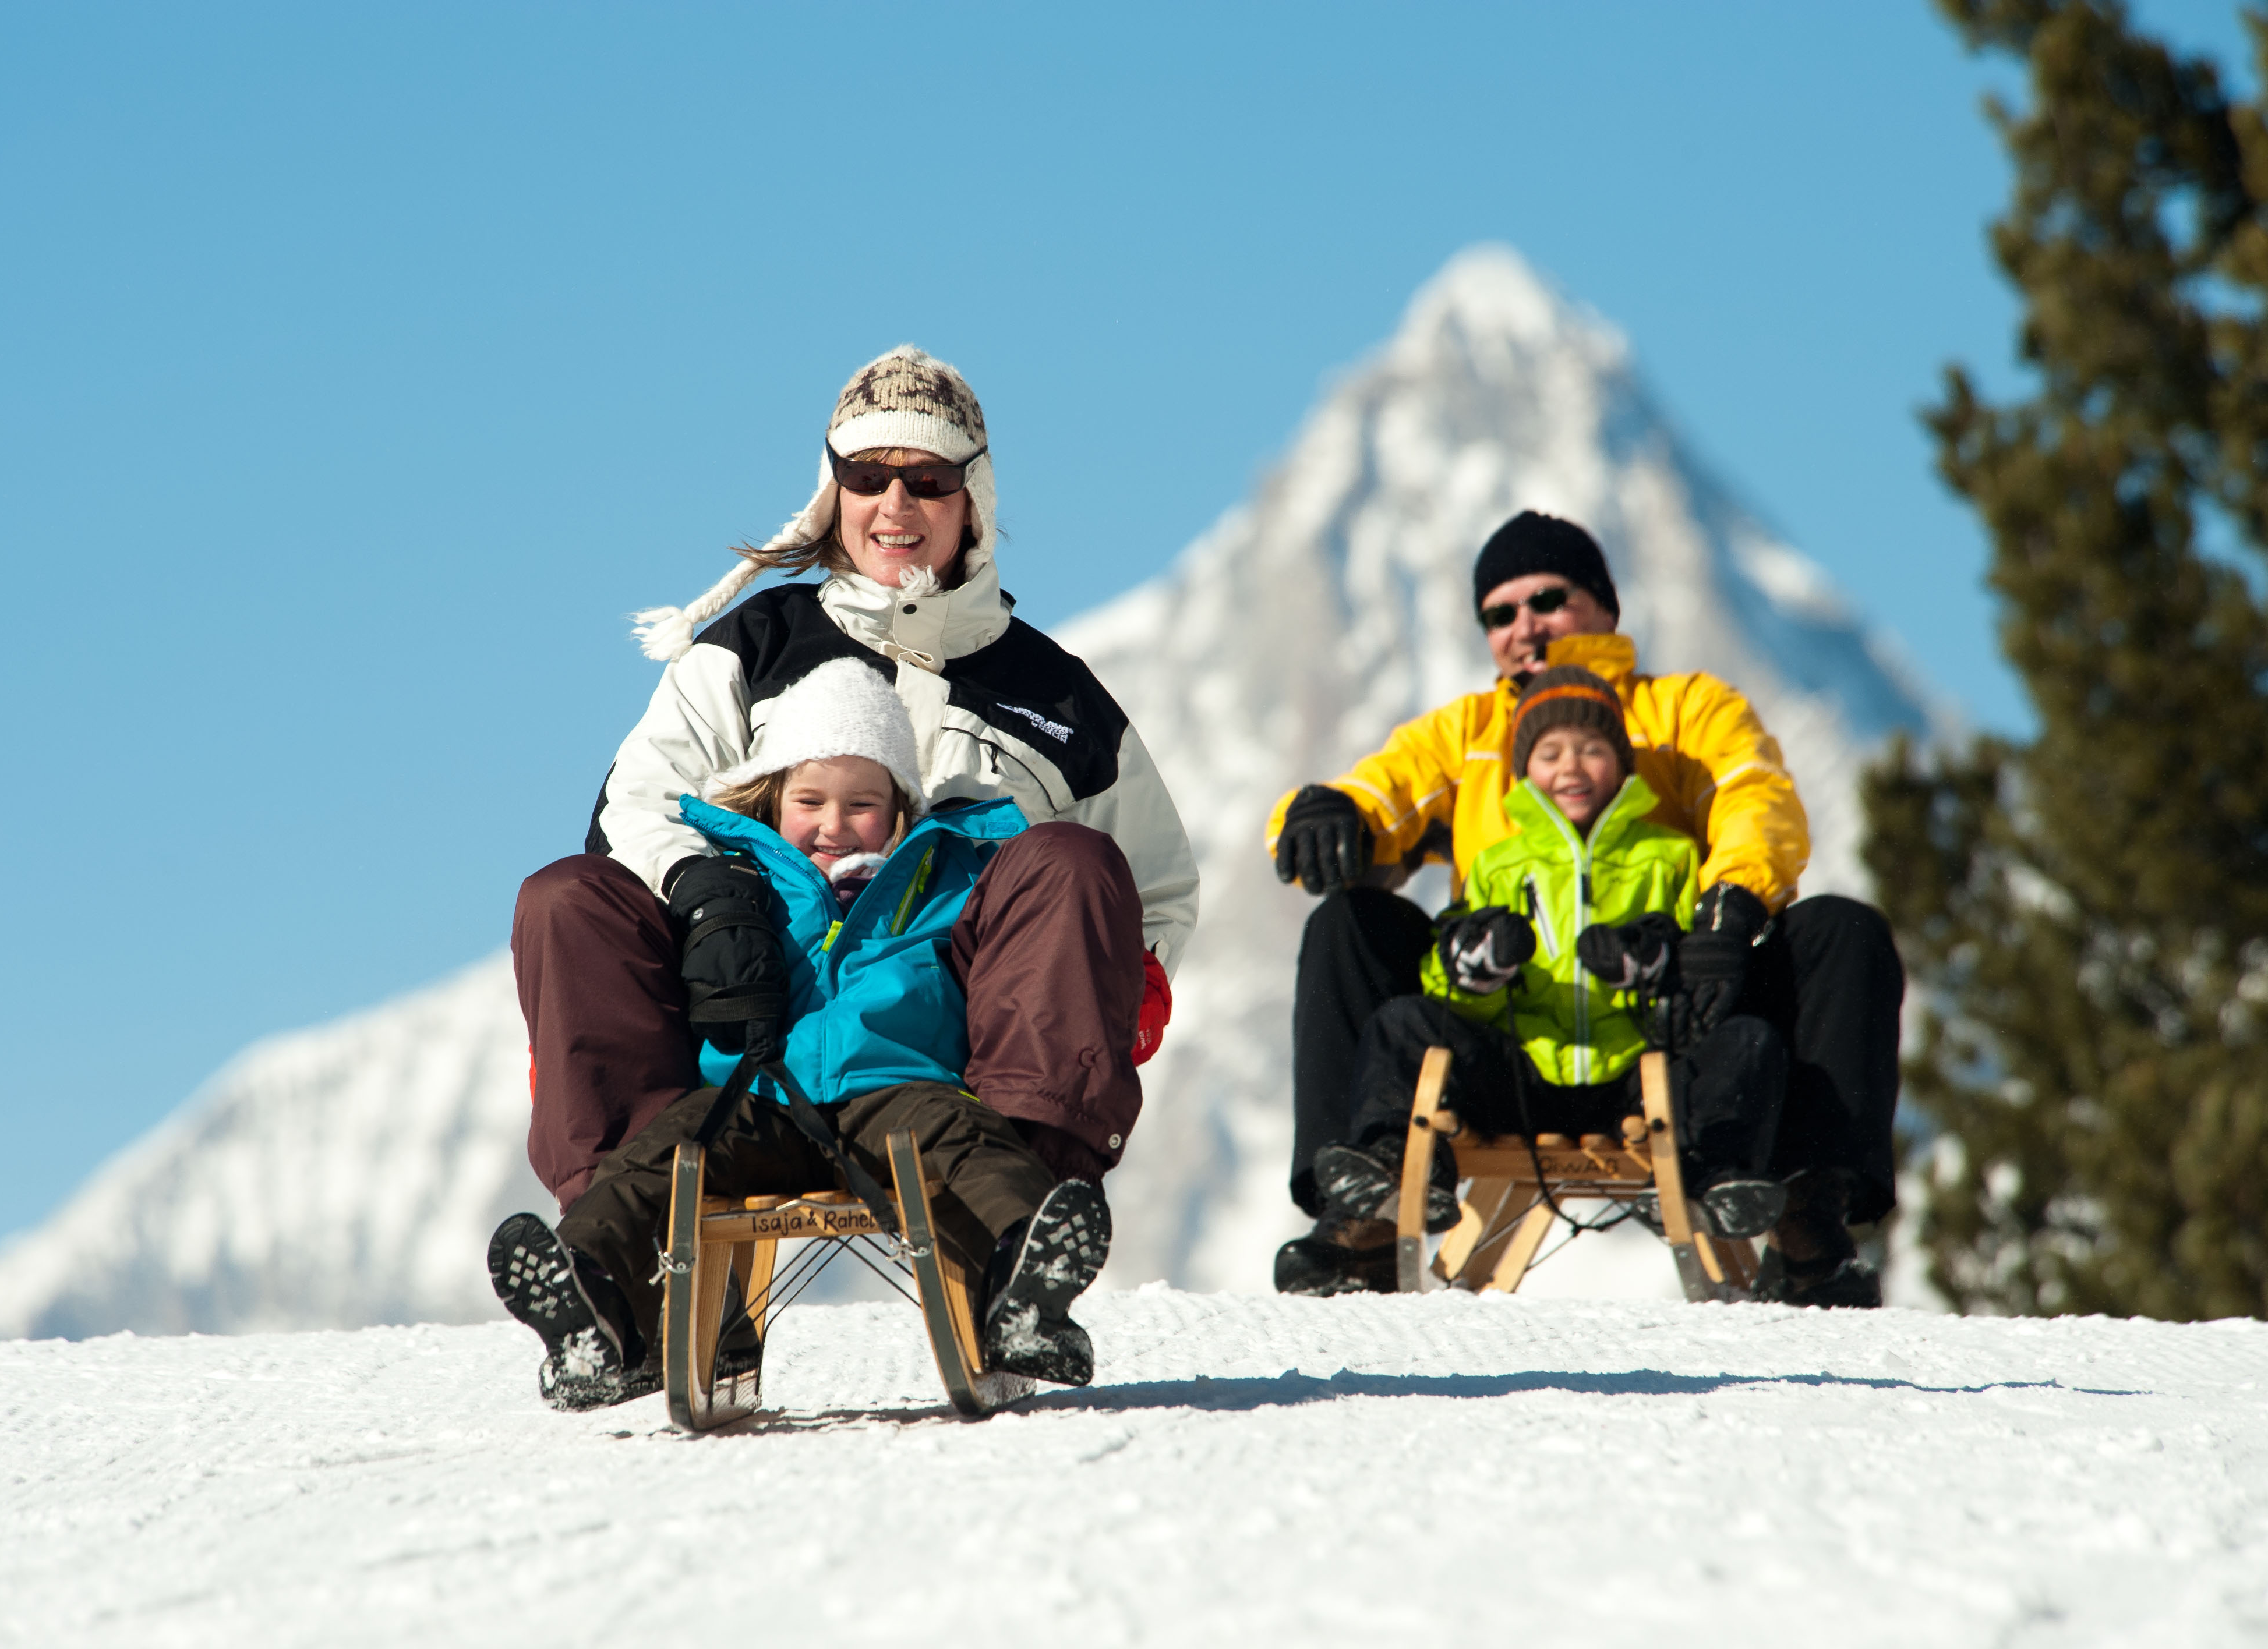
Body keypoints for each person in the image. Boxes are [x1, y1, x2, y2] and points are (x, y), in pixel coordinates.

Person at [507, 344, 1195, 1276]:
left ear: (974, 499)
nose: (897, 507)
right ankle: (620, 1278)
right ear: (834, 491)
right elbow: (635, 804)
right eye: (869, 477)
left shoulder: (1056, 700)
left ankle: (1022, 1244)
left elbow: (1149, 895)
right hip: (738, 1039)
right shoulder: (753, 649)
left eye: (929, 479)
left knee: (1070, 860)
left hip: (959, 1065)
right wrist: (706, 893)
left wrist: (1108, 1003)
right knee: (568, 895)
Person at [1269, 510, 1902, 1308]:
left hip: (1673, 1029)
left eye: (1547, 600)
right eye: (1499, 615)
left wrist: (1729, 912)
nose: (1523, 627)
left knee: (1841, 932)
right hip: (1508, 1041)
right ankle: (1361, 1215)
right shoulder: (1471, 735)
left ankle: (1809, 1220)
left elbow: (1754, 798)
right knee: (1348, 925)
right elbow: (1384, 789)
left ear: (1605, 604)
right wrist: (1327, 809)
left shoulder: (1682, 715)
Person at [491, 660, 1110, 1409]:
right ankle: (593, 1297)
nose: (832, 824)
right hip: (754, 1101)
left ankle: (1022, 1280)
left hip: (900, 1096)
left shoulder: (942, 880)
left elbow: (1006, 960)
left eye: (862, 804)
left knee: (968, 1140)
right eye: (809, 799)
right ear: (773, 799)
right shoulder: (736, 880)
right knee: (662, 1154)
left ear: (900, 810)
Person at [1304, 667, 1788, 1266]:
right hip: (1519, 1074)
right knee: (1403, 1023)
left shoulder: (1669, 858)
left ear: (1622, 766)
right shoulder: (1499, 866)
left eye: (1592, 750)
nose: (1571, 767)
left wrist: (1652, 965)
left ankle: (1715, 1171)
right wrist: (1474, 968)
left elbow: (1693, 979)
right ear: (1521, 770)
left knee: (1747, 1041)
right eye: (1549, 752)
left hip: (1634, 1081)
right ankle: (1392, 1160)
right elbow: (1444, 986)